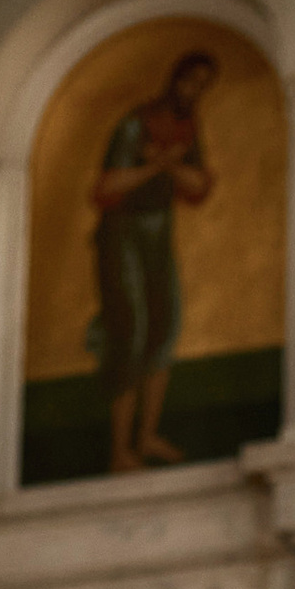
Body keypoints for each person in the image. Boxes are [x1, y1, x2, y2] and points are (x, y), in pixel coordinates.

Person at [88, 47, 214, 471]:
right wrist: (157, 166)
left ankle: (147, 436)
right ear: (174, 79)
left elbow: (198, 185)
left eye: (201, 85)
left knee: (165, 327)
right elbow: (107, 187)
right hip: (122, 234)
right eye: (188, 81)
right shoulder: (135, 125)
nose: (192, 91)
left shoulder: (185, 129)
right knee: (131, 331)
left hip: (159, 232)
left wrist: (167, 165)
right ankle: (119, 448)